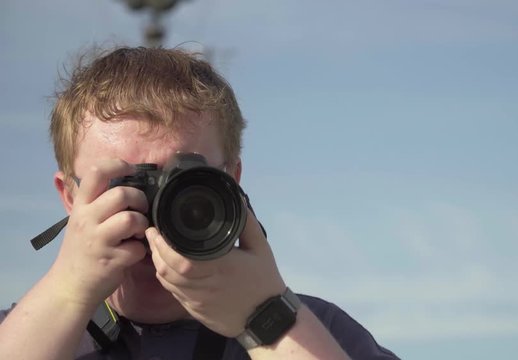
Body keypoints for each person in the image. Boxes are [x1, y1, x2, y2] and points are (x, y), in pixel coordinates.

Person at [0, 46, 398, 359]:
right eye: (125, 185)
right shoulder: (16, 334)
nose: (154, 213)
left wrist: (269, 319)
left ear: (231, 181)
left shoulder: (321, 333)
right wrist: (68, 292)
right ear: (70, 195)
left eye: (184, 182)